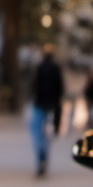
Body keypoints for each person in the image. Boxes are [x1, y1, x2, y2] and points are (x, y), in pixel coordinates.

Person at [30, 46, 64, 176]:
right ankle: (44, 157)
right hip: (51, 106)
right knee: (46, 135)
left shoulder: (40, 68)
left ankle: (41, 158)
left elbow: (34, 86)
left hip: (40, 104)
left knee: (37, 133)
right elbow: (60, 89)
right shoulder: (56, 68)